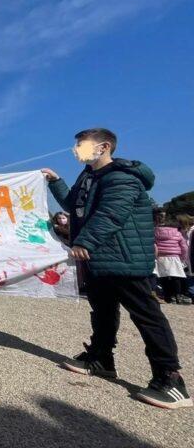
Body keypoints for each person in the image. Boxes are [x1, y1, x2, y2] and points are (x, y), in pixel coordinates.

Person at [42, 128, 192, 409]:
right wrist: (56, 181)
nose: (76, 151)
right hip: (99, 259)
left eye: (82, 145)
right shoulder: (88, 177)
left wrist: (84, 241)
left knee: (146, 315)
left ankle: (170, 378)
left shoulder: (122, 178)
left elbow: (111, 214)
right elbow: (74, 205)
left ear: (104, 147)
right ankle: (101, 358)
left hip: (125, 258)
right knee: (102, 311)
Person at [153, 209, 190, 305]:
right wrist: (183, 258)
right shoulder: (177, 232)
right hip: (174, 257)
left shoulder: (155, 232)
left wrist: (155, 256)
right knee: (176, 276)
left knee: (164, 277)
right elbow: (184, 246)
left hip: (161, 256)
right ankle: (177, 295)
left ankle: (168, 296)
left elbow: (154, 245)